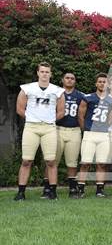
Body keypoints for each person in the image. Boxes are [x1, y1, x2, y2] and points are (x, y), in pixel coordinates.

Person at [14, 62, 65, 201]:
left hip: (49, 128)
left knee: (51, 161)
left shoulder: (57, 90)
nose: (44, 74)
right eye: (42, 71)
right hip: (31, 127)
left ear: (51, 74)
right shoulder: (27, 88)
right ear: (38, 73)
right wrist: (32, 117)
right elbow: (19, 108)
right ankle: (20, 193)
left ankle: (53, 192)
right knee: (26, 160)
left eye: (47, 72)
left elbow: (61, 112)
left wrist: (48, 119)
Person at [42, 73, 85, 199]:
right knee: (51, 160)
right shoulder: (55, 93)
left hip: (74, 130)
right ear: (62, 80)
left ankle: (72, 188)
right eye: (67, 78)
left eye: (72, 78)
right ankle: (47, 187)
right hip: (57, 129)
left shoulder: (81, 95)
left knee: (72, 162)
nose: (70, 80)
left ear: (75, 81)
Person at [77, 73, 112, 198]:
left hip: (103, 134)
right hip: (90, 133)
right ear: (96, 83)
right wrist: (86, 129)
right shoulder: (88, 98)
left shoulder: (111, 101)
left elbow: (111, 117)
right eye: (99, 81)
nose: (102, 84)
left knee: (102, 163)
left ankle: (100, 189)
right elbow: (80, 116)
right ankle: (81, 189)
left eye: (104, 82)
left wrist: (104, 127)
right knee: (85, 163)